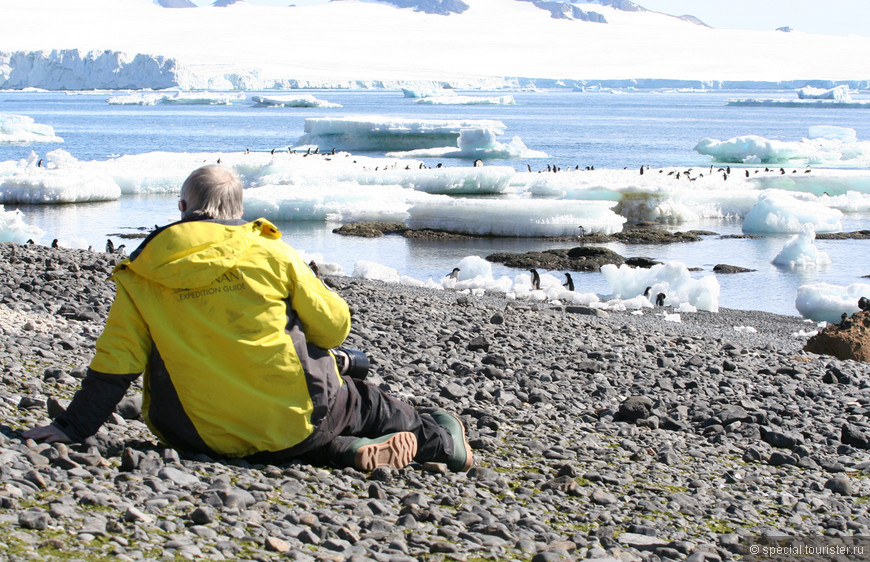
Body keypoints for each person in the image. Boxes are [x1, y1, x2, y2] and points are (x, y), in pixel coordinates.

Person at [24, 164, 472, 472]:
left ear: (183, 209)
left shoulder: (141, 272)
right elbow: (335, 328)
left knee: (283, 434)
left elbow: (115, 364)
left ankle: (344, 452)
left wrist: (72, 427)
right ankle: (439, 441)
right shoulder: (271, 251)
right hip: (294, 421)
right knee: (360, 400)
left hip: (194, 435)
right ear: (237, 210)